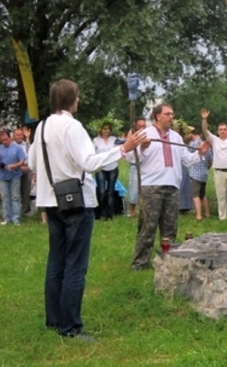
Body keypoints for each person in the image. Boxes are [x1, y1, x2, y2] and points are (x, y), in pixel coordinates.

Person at [27, 78, 146, 342]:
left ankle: (54, 319)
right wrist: (122, 149)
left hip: (50, 200)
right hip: (76, 202)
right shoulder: (73, 127)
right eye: (78, 96)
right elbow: (90, 162)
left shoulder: (42, 126)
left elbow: (32, 162)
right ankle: (70, 327)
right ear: (72, 99)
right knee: (75, 265)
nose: (79, 100)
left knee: (56, 260)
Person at [126, 103, 210, 270]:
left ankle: (167, 261)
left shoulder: (176, 137)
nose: (172, 117)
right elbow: (130, 158)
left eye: (172, 114)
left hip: (172, 187)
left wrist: (200, 153)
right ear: (158, 116)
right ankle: (140, 263)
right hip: (151, 187)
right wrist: (142, 148)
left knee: (170, 228)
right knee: (147, 227)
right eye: (168, 114)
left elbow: (186, 160)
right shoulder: (144, 134)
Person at [93, 122, 119, 220]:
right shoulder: (96, 140)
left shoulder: (114, 139)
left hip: (113, 167)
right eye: (105, 129)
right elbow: (93, 153)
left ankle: (110, 214)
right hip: (101, 168)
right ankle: (98, 213)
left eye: (108, 129)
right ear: (101, 130)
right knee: (101, 191)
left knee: (110, 192)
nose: (107, 131)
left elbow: (119, 150)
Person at [0, 130, 26, 225]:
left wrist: (14, 166)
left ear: (10, 138)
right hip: (3, 176)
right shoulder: (0, 148)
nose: (4, 142)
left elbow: (22, 161)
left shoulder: (17, 148)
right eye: (2, 140)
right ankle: (7, 218)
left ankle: (16, 219)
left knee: (15, 197)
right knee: (5, 197)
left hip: (15, 175)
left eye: (6, 140)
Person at [189, 129, 212, 221]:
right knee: (203, 195)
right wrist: (206, 168)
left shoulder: (192, 144)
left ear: (192, 135)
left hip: (195, 173)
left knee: (195, 195)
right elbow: (211, 161)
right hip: (204, 173)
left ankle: (199, 215)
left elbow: (187, 156)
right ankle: (207, 213)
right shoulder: (207, 146)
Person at [128, 118, 147, 218]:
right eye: (140, 126)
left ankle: (143, 210)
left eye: (144, 126)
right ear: (136, 127)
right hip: (135, 166)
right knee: (134, 189)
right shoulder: (133, 137)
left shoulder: (148, 137)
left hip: (145, 166)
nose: (142, 128)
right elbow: (128, 154)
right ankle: (132, 211)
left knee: (145, 189)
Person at [13, 128, 32, 215]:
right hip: (16, 170)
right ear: (14, 136)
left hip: (27, 169)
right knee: (16, 191)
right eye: (18, 135)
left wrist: (28, 166)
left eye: (21, 135)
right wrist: (19, 167)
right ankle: (17, 211)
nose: (20, 137)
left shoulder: (26, 144)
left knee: (26, 190)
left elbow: (31, 155)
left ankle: (26, 211)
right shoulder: (12, 146)